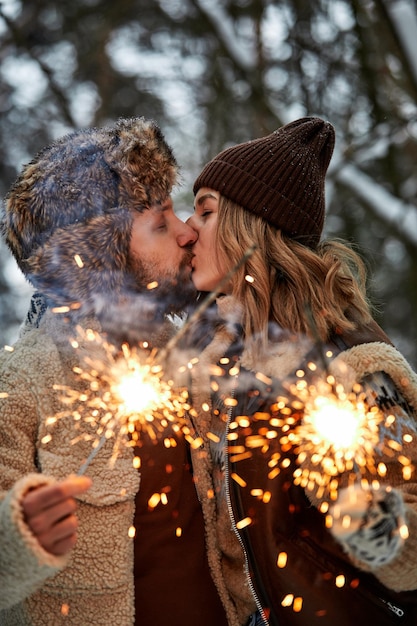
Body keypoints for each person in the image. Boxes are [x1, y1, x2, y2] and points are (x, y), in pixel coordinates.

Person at [184, 117, 417, 625]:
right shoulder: (216, 360)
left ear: (252, 224)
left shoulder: (350, 358)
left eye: (205, 212)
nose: (187, 231)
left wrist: (356, 511)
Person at [0, 117, 228, 625]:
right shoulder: (25, 379)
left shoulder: (190, 355)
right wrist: (17, 539)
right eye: (160, 223)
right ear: (103, 262)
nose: (188, 231)